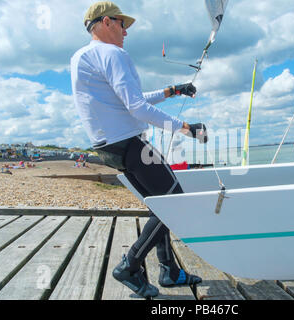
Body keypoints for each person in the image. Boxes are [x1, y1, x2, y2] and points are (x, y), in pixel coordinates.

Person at [71, 1, 206, 298]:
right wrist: (187, 128)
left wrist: (172, 91)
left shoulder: (81, 57)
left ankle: (169, 270)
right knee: (175, 204)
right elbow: (136, 107)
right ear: (106, 22)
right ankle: (130, 266)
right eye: (122, 24)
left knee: (160, 204)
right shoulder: (113, 53)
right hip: (130, 142)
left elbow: (127, 99)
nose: (126, 33)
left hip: (107, 147)